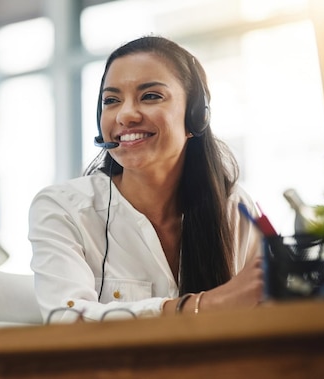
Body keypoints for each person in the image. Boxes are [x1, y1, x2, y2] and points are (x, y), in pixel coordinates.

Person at [28, 36, 264, 323]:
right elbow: (66, 320)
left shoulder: (234, 208)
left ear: (195, 116)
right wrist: (202, 306)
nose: (125, 115)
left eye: (150, 96)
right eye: (111, 100)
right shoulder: (63, 208)